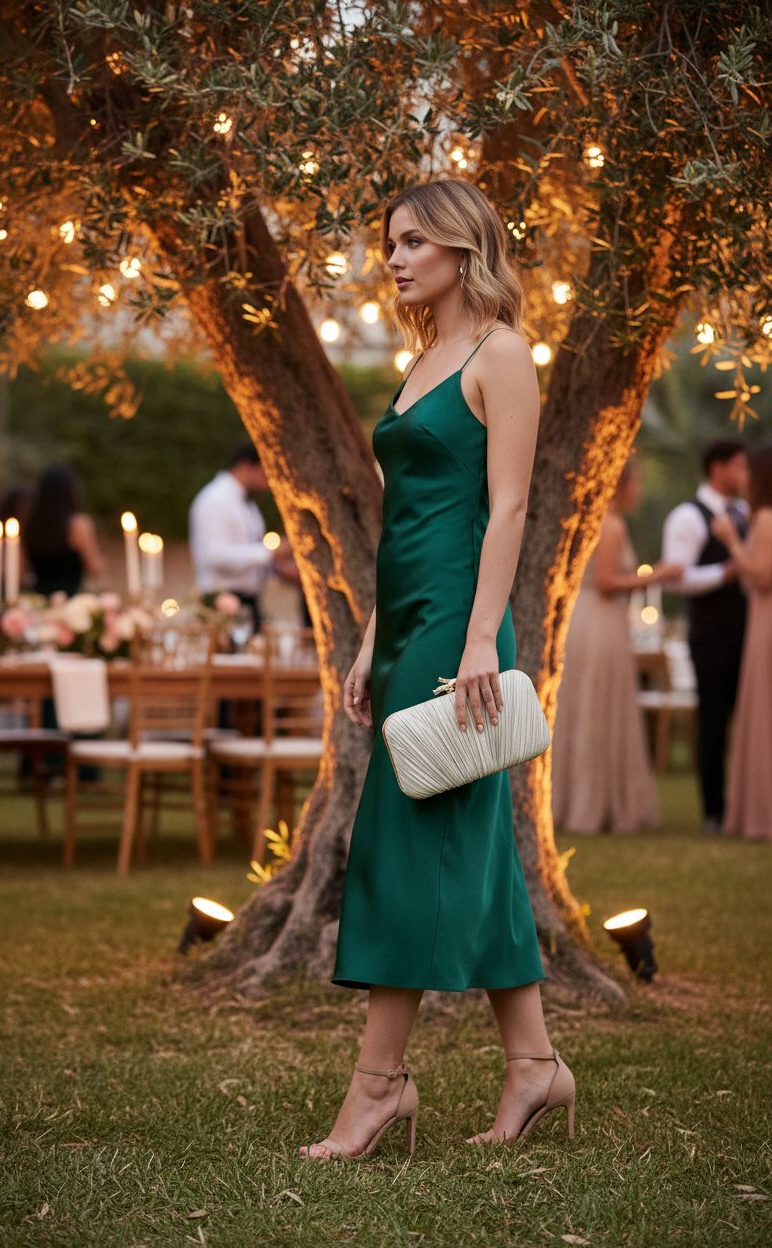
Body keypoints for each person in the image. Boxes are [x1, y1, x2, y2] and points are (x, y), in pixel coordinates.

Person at [300, 178, 574, 1164]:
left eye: (414, 240)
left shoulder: (501, 353)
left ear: (463, 247)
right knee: (477, 843)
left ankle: (377, 1087)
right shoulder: (422, 361)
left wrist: (474, 642)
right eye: (389, 243)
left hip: (464, 633)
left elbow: (503, 511)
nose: (396, 256)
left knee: (401, 845)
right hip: (412, 626)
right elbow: (407, 524)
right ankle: (535, 1065)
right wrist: (376, 638)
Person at [552, 460, 682, 834]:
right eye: (635, 483)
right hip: (601, 621)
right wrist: (660, 574)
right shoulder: (609, 525)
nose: (638, 491)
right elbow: (608, 581)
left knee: (589, 707)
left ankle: (582, 801)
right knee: (597, 706)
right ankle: (594, 805)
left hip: (588, 619)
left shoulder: (590, 520)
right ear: (620, 484)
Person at [661, 440, 749, 833]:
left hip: (748, 631)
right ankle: (713, 811)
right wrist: (724, 574)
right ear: (717, 468)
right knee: (713, 720)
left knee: (747, 719)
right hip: (711, 635)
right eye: (739, 467)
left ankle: (747, 806)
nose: (744, 475)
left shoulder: (745, 513)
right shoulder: (687, 517)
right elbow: (677, 578)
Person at [713, 444, 772, 840]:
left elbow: (762, 577)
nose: (742, 479)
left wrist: (732, 540)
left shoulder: (765, 518)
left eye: (747, 471)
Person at [188, 441, 286, 633]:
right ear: (245, 466)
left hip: (249, 601)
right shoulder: (215, 500)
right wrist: (270, 553)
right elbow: (215, 556)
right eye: (264, 472)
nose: (268, 481)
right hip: (220, 603)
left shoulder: (248, 505)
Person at [23, 465, 106, 596]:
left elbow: (22, 571)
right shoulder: (79, 525)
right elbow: (94, 568)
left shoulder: (31, 524)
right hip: (72, 603)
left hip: (39, 602)